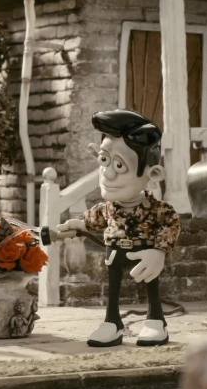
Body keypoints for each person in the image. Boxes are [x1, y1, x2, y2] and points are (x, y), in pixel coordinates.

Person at [57, 110, 181, 347]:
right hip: (114, 252)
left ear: (153, 173)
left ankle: (156, 319)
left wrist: (159, 251)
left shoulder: (156, 209)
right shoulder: (107, 208)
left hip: (144, 251)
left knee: (151, 284)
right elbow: (93, 219)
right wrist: (78, 225)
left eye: (119, 165)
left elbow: (171, 221)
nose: (109, 173)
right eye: (104, 160)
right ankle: (112, 322)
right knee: (113, 288)